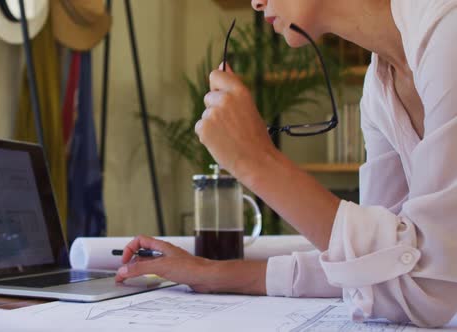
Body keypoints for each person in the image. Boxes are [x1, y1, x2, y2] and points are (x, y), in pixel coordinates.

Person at [115, 0, 457, 327]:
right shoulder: (379, 87)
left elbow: (431, 286)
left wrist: (255, 161)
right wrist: (211, 273)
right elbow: (382, 265)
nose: (256, 3)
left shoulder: (448, 33)